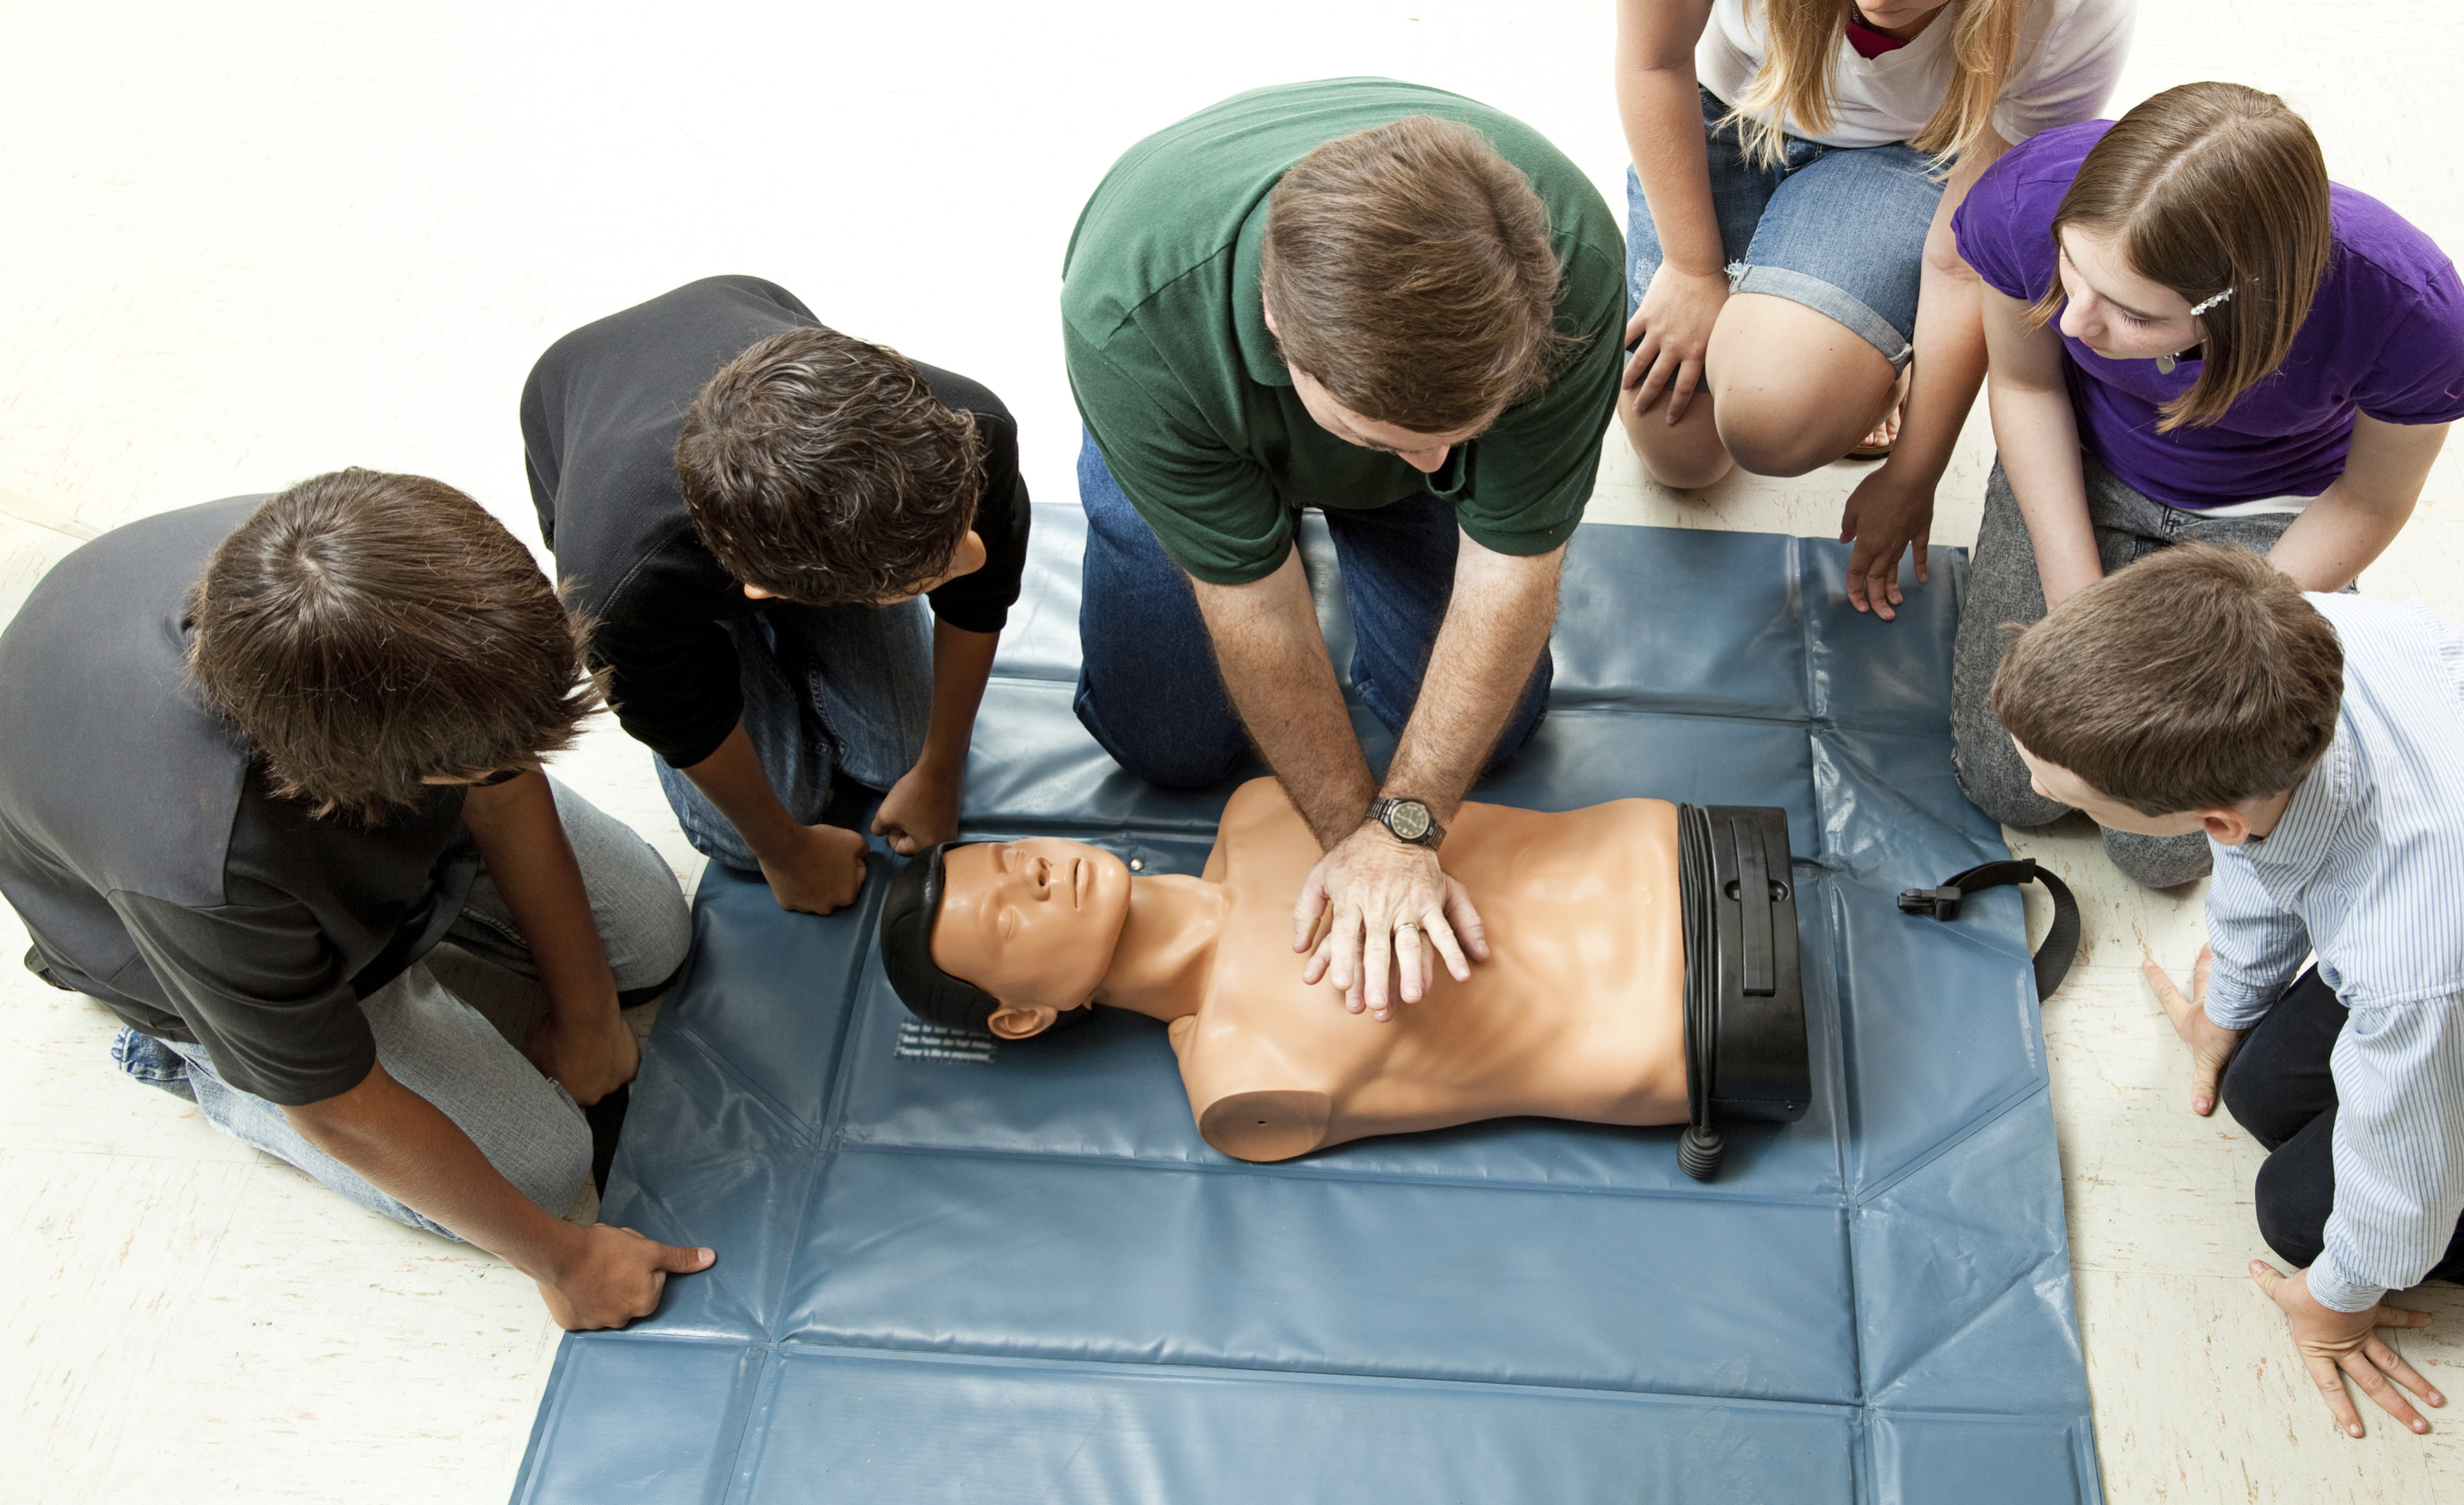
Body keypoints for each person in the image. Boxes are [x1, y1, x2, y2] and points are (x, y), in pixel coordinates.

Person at [1988, 544, 2464, 1441]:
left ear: (2213, 816)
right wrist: (2230, 1005)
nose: (2029, 784)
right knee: (2258, 1088)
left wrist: (2339, 1302)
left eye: (2063, 791)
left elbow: (2418, 1139)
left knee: (2304, 1223)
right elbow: (2257, 851)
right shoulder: (2302, 641)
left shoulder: (2425, 945)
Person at [0, 472, 715, 1330]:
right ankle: (198, 1063)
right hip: (162, 935)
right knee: (542, 1171)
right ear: (373, 779)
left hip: (342, 768)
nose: (503, 768)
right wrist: (563, 1263)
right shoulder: (205, 865)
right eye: (474, 766)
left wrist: (589, 1013)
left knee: (648, 937)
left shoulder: (380, 571)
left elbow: (501, 781)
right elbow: (340, 1113)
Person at [1061, 78, 1622, 1021]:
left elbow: (1508, 570)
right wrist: (1347, 841)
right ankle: (1225, 496)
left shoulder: (1567, 262)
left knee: (1498, 734)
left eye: (1459, 432)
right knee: (1165, 741)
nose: (1443, 465)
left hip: (1371, 410)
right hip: (1194, 418)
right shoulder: (1131, 319)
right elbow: (1257, 610)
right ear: (1279, 326)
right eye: (1390, 433)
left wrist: (1403, 832)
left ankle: (1385, 460)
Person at [1614, 0, 2135, 617]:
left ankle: (1863, 348)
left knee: (1773, 418)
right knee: (1680, 451)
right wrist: (1694, 272)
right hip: (1725, 116)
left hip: (1904, 157)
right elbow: (1652, 60)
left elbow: (1970, 253)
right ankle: (1796, 305)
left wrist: (1914, 467)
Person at [1951, 81, 2464, 886]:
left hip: (2272, 518)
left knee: (2158, 844)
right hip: (2087, 464)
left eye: (2133, 314)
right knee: (2010, 783)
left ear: (2245, 306)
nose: (2074, 324)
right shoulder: (2027, 196)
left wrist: (2210, 628)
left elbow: (2369, 499)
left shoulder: (2406, 308)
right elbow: (2029, 386)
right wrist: (2079, 607)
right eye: (2071, 271)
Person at [523, 274, 1029, 916]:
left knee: (897, 756)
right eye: (926, 575)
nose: (974, 555)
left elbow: (981, 595)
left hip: (736, 317)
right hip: (581, 410)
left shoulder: (964, 427)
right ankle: (733, 639)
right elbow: (683, 724)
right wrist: (783, 850)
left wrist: (940, 768)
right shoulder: (618, 588)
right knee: (736, 839)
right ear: (769, 590)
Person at [882, 777, 1703, 1160]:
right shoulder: (1239, 1080)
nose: (1031, 874)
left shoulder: (1262, 807)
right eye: (1004, 916)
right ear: (1022, 1014)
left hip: (1678, 844)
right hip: (1692, 1023)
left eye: (1012, 855)